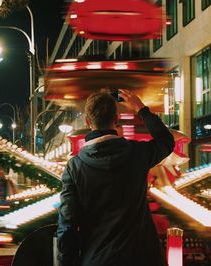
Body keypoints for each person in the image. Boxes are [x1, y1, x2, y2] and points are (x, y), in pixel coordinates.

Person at [57, 89, 175, 266]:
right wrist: (141, 108)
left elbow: (68, 224)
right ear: (116, 119)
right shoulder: (137, 153)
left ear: (88, 121)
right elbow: (166, 141)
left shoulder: (75, 167)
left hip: (96, 259)